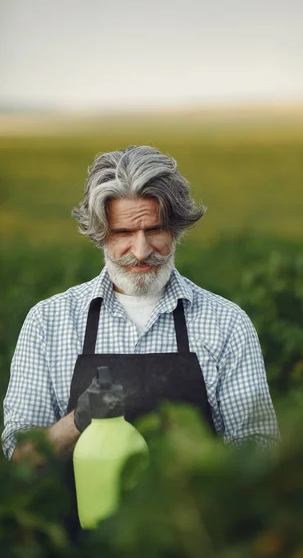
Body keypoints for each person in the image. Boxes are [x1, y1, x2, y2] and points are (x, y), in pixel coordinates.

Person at [2, 145, 280, 463]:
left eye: (155, 229)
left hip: (192, 512)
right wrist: (76, 422)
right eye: (123, 232)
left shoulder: (226, 322)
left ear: (176, 229)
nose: (142, 250)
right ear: (101, 234)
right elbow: (19, 460)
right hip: (76, 514)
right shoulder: (49, 322)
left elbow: (260, 446)